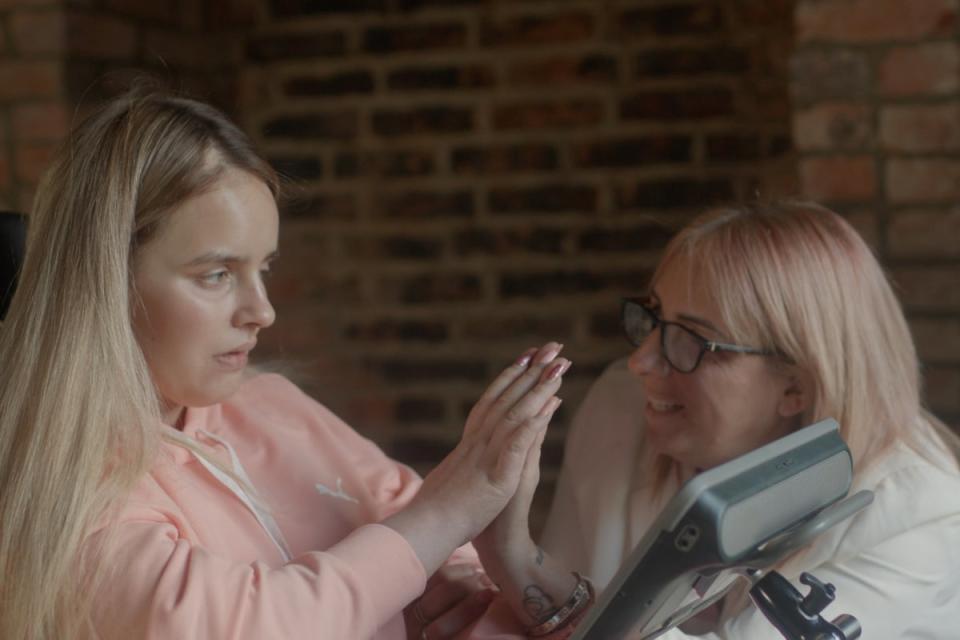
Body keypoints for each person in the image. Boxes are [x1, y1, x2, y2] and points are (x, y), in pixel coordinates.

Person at [0, 90, 582, 640]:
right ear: (106, 283)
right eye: (217, 274)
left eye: (264, 269)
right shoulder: (63, 492)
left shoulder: (271, 403)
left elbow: (452, 571)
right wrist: (451, 511)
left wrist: (496, 564)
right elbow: (257, 625)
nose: (263, 312)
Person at [532, 201, 960, 637]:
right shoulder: (619, 408)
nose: (640, 362)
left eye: (691, 340)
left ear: (796, 385)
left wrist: (515, 560)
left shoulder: (918, 519)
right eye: (654, 318)